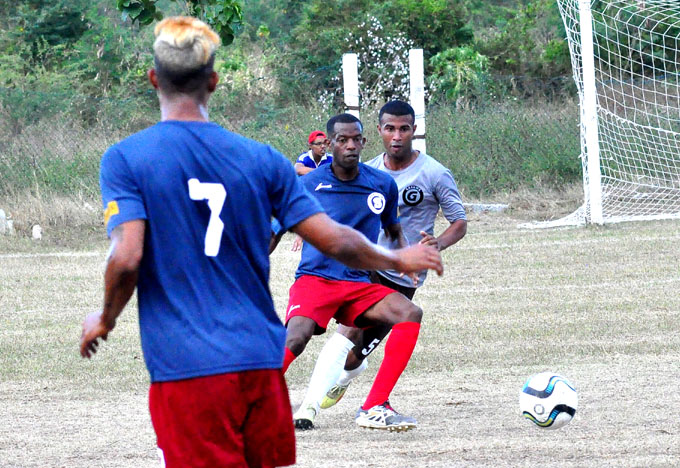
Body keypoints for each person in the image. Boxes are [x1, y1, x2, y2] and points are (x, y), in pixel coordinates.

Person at [78, 18, 443, 468]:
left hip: (188, 364)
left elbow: (128, 254)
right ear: (213, 82)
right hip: (257, 359)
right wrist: (396, 255)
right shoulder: (263, 159)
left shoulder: (126, 158)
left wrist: (105, 316)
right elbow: (333, 239)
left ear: (153, 79)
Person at [294, 100, 468, 429]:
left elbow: (460, 221)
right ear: (378, 132)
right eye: (390, 129)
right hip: (366, 268)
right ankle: (310, 408)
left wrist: (437, 244)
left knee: (356, 353)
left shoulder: (434, 173)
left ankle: (348, 375)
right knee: (345, 334)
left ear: (414, 131)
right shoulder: (363, 167)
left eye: (404, 129)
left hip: (403, 276)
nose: (397, 136)